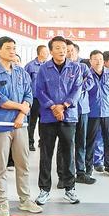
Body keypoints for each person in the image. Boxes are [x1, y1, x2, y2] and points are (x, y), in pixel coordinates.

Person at [0, 37, 43, 216]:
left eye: (14, 48)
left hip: (20, 125)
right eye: (8, 48)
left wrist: (21, 115)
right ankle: (2, 203)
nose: (12, 51)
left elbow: (28, 94)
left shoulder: (21, 72)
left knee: (23, 164)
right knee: (0, 166)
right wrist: (21, 108)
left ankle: (25, 200)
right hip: (0, 126)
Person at [34, 36, 83, 206]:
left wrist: (64, 105)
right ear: (51, 51)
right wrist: (53, 107)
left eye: (64, 47)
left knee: (68, 153)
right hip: (48, 117)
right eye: (57, 48)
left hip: (68, 116)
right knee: (46, 154)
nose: (62, 50)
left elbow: (77, 89)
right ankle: (44, 190)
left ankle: (70, 188)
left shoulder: (75, 67)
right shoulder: (43, 69)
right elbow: (39, 90)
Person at [85, 50, 109, 178]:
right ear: (90, 61)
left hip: (108, 111)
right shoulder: (86, 74)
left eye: (100, 59)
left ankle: (108, 166)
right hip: (92, 112)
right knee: (90, 141)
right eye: (95, 59)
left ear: (103, 61)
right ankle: (88, 168)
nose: (98, 61)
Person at [67, 42, 95, 185]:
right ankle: (65, 175)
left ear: (77, 52)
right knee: (66, 143)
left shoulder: (84, 67)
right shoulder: (62, 68)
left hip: (82, 109)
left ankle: (81, 172)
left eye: (72, 50)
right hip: (67, 110)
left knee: (81, 142)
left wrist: (76, 88)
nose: (69, 53)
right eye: (67, 50)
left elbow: (90, 82)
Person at [24, 45, 49, 152]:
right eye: (45, 52)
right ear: (39, 53)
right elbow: (25, 83)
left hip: (45, 99)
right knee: (32, 122)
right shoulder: (30, 66)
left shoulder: (48, 65)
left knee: (44, 122)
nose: (47, 53)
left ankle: (42, 142)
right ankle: (30, 142)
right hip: (34, 99)